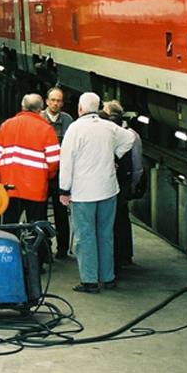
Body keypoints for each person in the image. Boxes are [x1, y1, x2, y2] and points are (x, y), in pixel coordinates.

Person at [58, 92, 135, 293]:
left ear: (80, 108)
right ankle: (108, 277)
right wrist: (115, 155)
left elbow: (66, 162)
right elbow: (130, 138)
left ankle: (89, 280)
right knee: (105, 234)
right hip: (108, 190)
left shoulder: (75, 129)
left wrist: (64, 189)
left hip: (83, 192)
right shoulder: (108, 126)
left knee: (85, 237)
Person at [0, 93, 60, 228]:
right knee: (37, 229)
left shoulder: (6, 126)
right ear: (40, 109)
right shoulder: (47, 129)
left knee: (9, 227)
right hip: (37, 189)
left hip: (10, 187)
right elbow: (54, 161)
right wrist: (48, 178)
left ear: (22, 106)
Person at [103, 100, 143, 274]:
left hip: (119, 184)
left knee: (117, 220)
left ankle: (119, 257)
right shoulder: (132, 135)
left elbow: (137, 166)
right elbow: (138, 166)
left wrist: (131, 189)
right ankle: (123, 256)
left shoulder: (129, 136)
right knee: (121, 219)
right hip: (120, 184)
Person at [42, 87, 74, 259]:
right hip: (43, 172)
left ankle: (62, 247)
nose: (55, 103)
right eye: (53, 100)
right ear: (47, 101)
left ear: (62, 103)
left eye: (59, 101)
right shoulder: (39, 118)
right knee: (41, 212)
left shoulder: (68, 120)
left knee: (61, 211)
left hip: (61, 173)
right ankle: (44, 247)